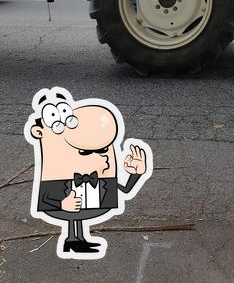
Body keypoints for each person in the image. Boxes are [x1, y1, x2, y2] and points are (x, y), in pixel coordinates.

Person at [24, 87, 151, 259]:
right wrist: (61, 205)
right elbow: (46, 199)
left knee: (78, 215)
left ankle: (77, 239)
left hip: (90, 204)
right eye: (86, 152)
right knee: (72, 215)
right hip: (65, 205)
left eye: (104, 150)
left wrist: (136, 173)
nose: (104, 157)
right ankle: (72, 240)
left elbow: (125, 191)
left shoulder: (101, 178)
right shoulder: (56, 178)